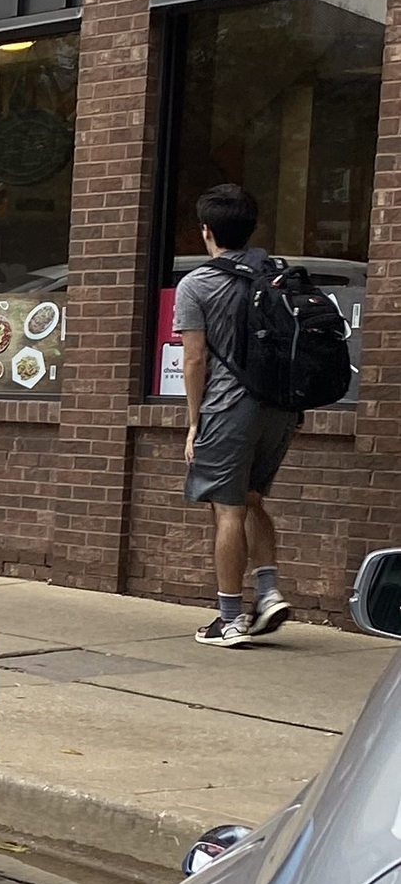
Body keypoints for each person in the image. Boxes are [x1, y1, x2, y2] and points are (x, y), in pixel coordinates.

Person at [176, 182, 295, 646]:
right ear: (250, 229)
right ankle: (267, 594)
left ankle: (228, 619)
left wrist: (194, 422)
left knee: (226, 510)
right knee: (252, 501)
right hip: (280, 408)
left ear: (206, 231)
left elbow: (194, 359)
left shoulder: (198, 283)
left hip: (229, 407)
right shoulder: (277, 274)